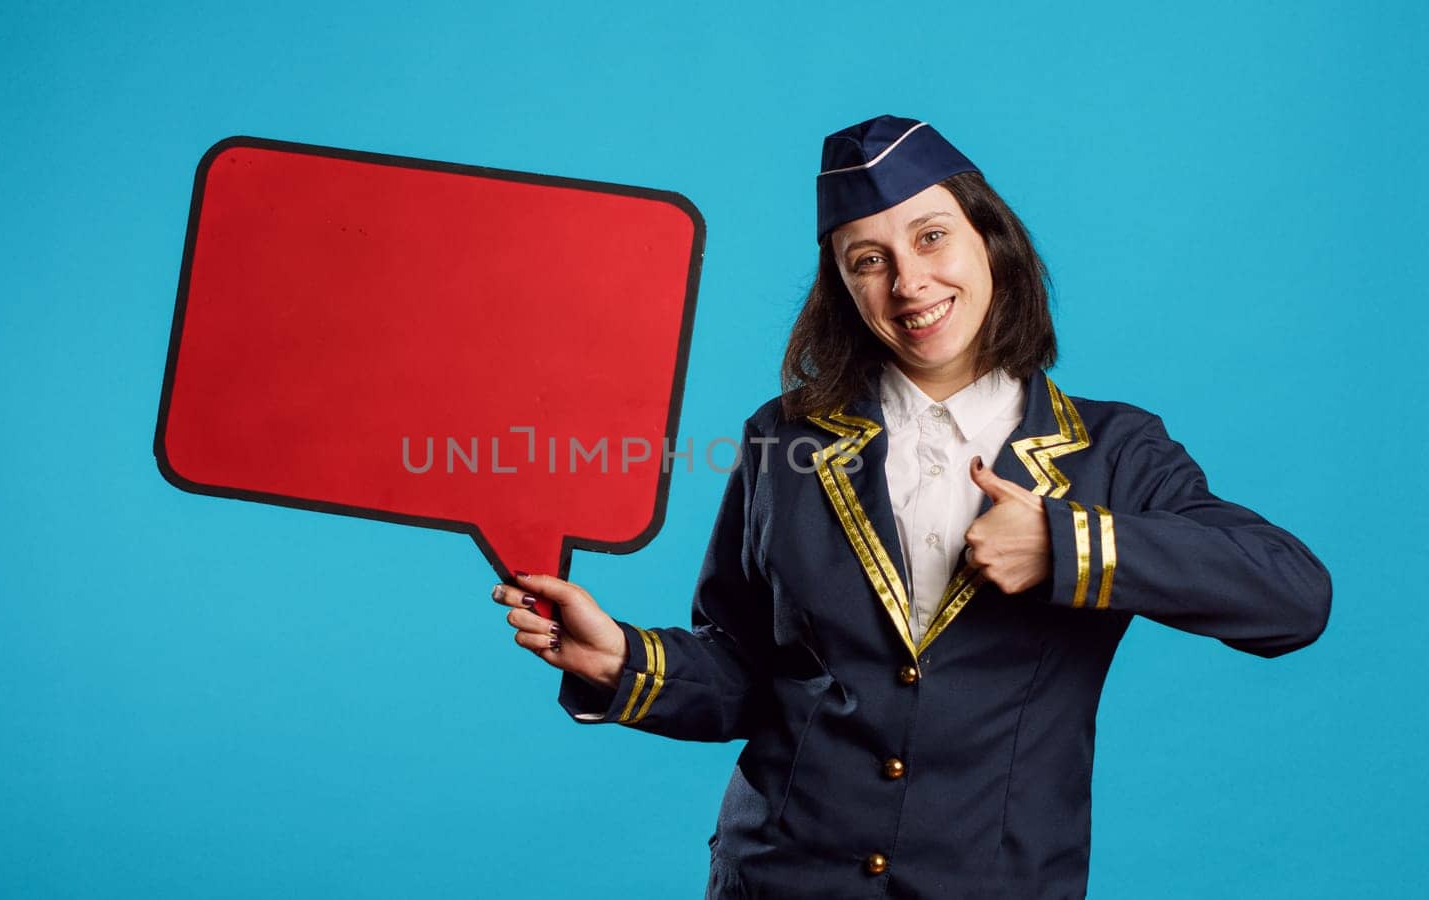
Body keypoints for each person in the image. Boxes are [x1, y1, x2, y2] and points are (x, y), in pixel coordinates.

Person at [492, 115, 1331, 899]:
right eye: (868, 259)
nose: (908, 281)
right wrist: (621, 662)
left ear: (990, 242)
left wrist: (1066, 545)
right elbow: (747, 671)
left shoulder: (1111, 451)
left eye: (932, 237)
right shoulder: (785, 440)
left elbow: (1293, 599)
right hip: (778, 880)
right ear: (845, 289)